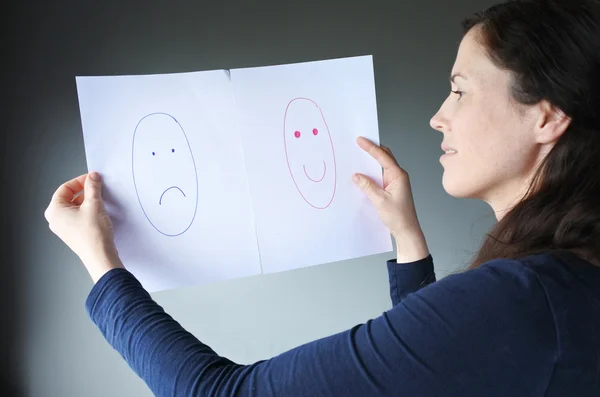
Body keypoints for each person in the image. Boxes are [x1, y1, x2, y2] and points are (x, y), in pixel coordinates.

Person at [44, 0, 600, 395]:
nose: (438, 116)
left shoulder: (521, 299)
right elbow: (434, 371)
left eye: (459, 89)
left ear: (547, 116)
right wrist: (408, 240)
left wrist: (103, 266)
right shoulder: (567, 278)